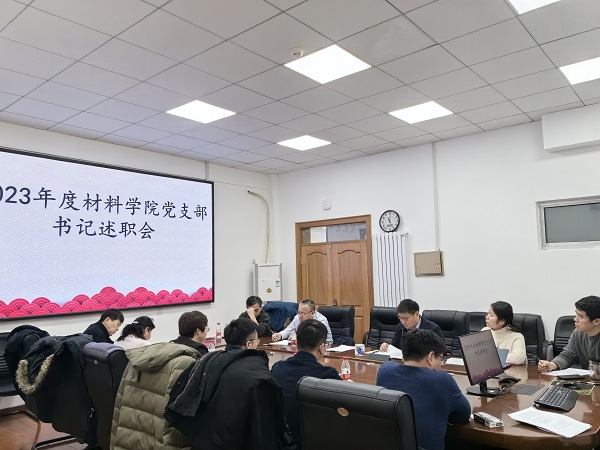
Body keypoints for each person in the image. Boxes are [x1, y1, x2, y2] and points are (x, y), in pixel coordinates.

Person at [165, 318, 295, 450]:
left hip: (201, 440)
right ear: (249, 344)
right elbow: (265, 433)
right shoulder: (258, 378)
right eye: (257, 341)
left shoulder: (206, 360)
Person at [376, 329, 470, 450]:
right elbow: (463, 415)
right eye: (441, 359)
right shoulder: (442, 380)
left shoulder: (384, 370)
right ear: (430, 357)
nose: (441, 365)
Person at [272, 319, 342, 448]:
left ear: (297, 343)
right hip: (313, 442)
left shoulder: (277, 368)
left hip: (281, 440)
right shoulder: (328, 375)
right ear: (321, 347)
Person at [539, 295, 600, 372]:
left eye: (580, 316)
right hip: (589, 378)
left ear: (596, 321)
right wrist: (552, 364)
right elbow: (568, 355)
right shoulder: (578, 333)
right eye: (576, 314)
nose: (575, 319)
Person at [379, 299, 444, 352]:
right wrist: (387, 346)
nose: (403, 322)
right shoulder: (400, 327)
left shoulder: (433, 329)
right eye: (400, 318)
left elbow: (442, 353)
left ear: (417, 314)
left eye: (406, 318)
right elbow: (394, 346)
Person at [482, 301, 526, 365]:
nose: (486, 317)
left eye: (491, 315)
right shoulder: (485, 331)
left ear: (502, 322)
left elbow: (518, 358)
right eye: (488, 313)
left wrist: (490, 356)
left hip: (511, 370)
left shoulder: (517, 337)